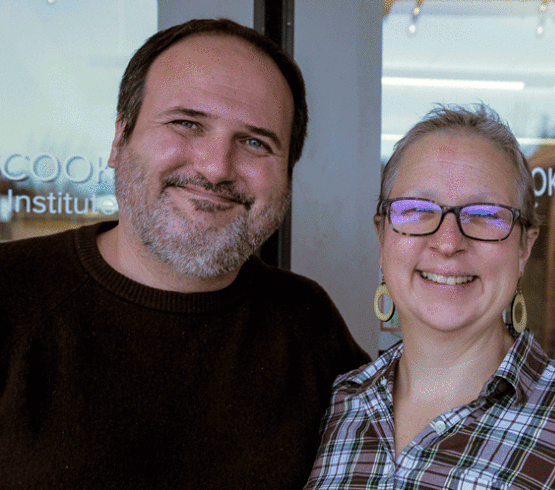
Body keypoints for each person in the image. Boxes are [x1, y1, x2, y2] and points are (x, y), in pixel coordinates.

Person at [0, 18, 369, 489]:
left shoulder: (307, 322)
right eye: (187, 123)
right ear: (120, 139)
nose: (216, 168)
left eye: (255, 142)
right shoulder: (8, 295)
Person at [304, 104, 555, 489]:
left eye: (484, 214)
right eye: (417, 209)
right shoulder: (339, 404)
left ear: (523, 248)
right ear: (382, 237)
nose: (448, 242)